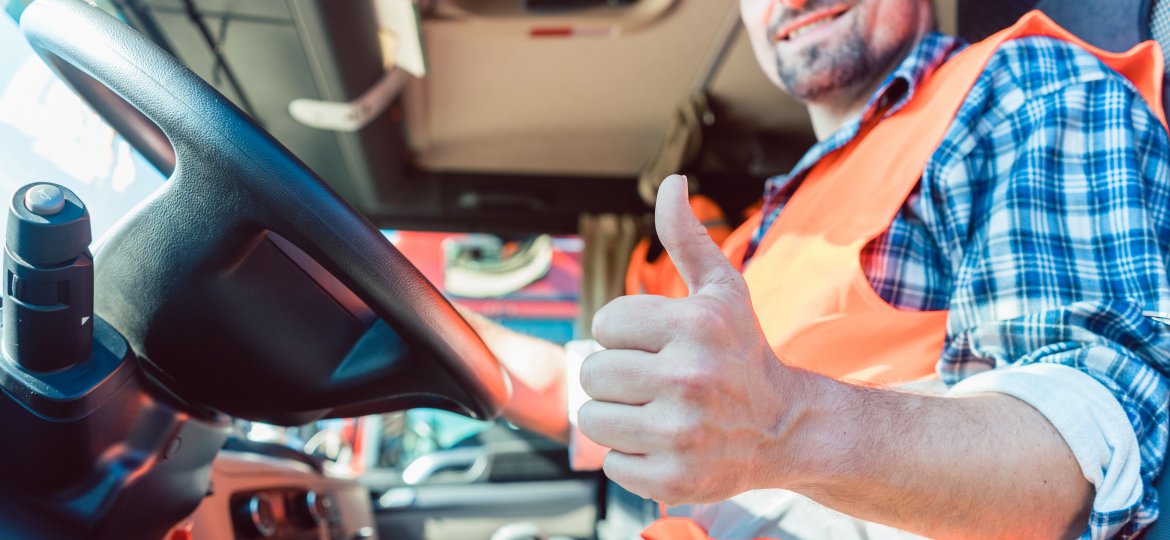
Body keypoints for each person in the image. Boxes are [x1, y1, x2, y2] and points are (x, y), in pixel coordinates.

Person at [463, 0, 1170, 537]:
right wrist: (399, 306)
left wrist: (787, 425)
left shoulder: (1021, 89)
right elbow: (589, 389)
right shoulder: (752, 240)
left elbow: (1093, 445)